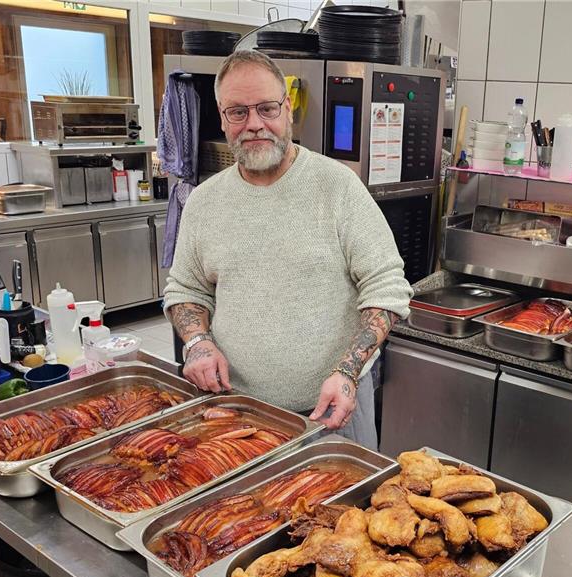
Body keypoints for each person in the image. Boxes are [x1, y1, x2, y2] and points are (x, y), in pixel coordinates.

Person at [163, 50, 412, 450]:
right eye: (238, 112)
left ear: (288, 108)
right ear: (223, 118)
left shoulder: (337, 186)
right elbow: (186, 289)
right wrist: (198, 343)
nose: (255, 124)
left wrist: (348, 372)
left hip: (333, 415)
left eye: (266, 108)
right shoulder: (205, 201)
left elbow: (386, 288)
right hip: (237, 418)